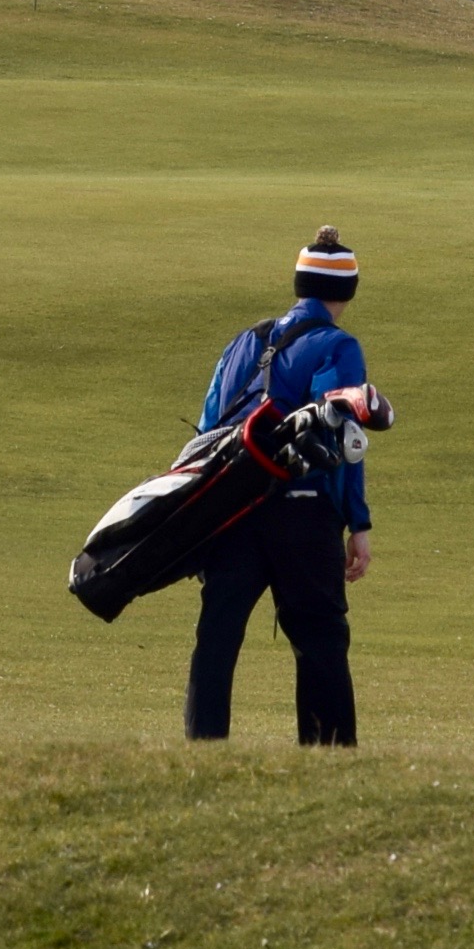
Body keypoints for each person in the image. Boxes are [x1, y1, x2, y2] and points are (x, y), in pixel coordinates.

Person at [185, 226, 377, 745]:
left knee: (217, 637)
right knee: (320, 639)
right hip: (303, 514)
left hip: (229, 507)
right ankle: (327, 758)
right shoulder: (339, 346)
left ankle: (202, 750)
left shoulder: (244, 341)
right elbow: (340, 434)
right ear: (347, 291)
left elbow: (209, 428)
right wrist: (357, 522)